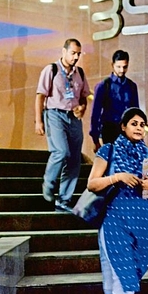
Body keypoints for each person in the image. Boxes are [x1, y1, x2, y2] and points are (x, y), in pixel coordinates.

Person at [87, 107, 148, 294]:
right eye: (134, 123)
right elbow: (92, 183)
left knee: (123, 283)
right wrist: (117, 177)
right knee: (123, 283)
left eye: (142, 124)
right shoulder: (109, 151)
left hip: (144, 225)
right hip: (115, 220)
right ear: (123, 127)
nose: (139, 128)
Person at [35, 38, 90, 212]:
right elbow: (40, 96)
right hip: (54, 114)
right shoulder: (51, 70)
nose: (75, 57)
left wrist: (82, 108)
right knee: (61, 151)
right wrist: (38, 121)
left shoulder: (79, 73)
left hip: (73, 118)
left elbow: (84, 97)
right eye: (73, 53)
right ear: (64, 51)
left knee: (74, 159)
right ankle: (49, 184)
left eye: (78, 54)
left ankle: (64, 200)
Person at [89, 50, 139, 151]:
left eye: (125, 67)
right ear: (112, 65)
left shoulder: (132, 86)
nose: (122, 70)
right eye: (118, 67)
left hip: (126, 130)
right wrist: (95, 139)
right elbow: (95, 113)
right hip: (109, 129)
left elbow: (135, 112)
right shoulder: (103, 86)